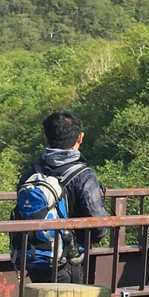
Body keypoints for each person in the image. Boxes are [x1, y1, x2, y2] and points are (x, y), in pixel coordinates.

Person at [14, 111, 107, 284]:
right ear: (80, 138)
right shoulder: (84, 176)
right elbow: (99, 227)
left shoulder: (30, 174)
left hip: (34, 259)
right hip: (68, 261)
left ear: (46, 139)